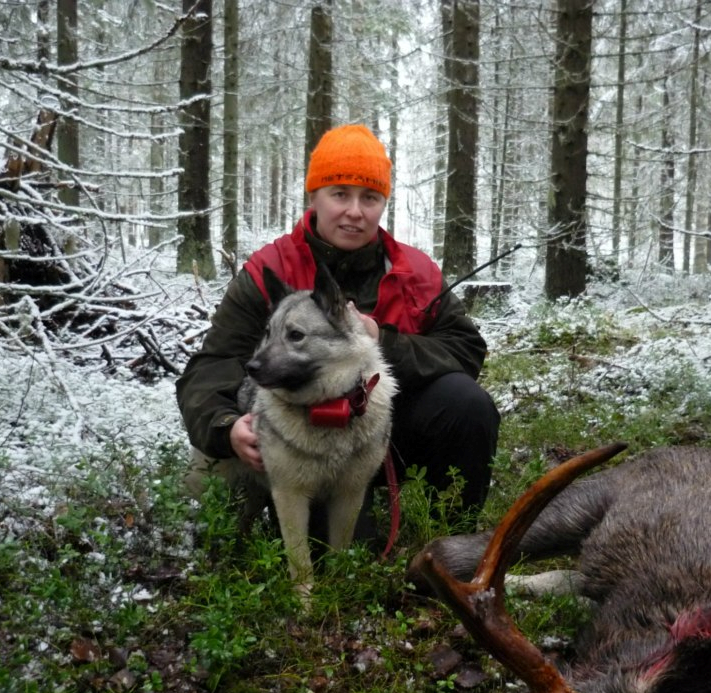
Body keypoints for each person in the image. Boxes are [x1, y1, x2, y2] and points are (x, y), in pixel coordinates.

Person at [175, 123, 500, 543]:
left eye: (370, 197)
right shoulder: (269, 272)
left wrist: (379, 340)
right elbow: (212, 366)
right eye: (340, 194)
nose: (355, 211)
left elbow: (466, 350)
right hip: (293, 439)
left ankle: (455, 545)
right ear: (314, 197)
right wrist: (227, 428)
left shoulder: (415, 272)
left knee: (466, 404)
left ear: (383, 203)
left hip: (380, 434)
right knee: (330, 555)